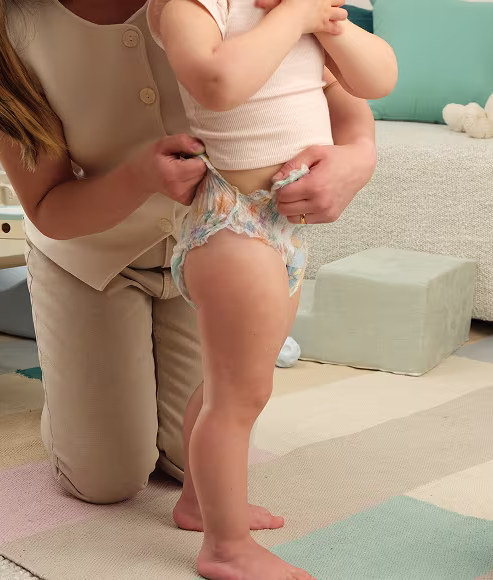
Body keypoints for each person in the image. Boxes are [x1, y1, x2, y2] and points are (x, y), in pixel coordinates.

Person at [0, 0, 379, 560]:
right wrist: (138, 176)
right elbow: (48, 204)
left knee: (206, 445)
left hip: (222, 247)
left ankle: (185, 483)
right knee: (106, 478)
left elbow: (343, 91)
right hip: (93, 253)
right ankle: (76, 393)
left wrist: (357, 158)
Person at [148, 0, 396, 578]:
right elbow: (217, 82)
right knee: (237, 397)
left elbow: (377, 79)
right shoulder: (194, 7)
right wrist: (293, 18)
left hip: (281, 225)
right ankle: (225, 546)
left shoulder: (300, 13)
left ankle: (196, 501)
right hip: (232, 220)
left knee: (234, 382)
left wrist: (323, 20)